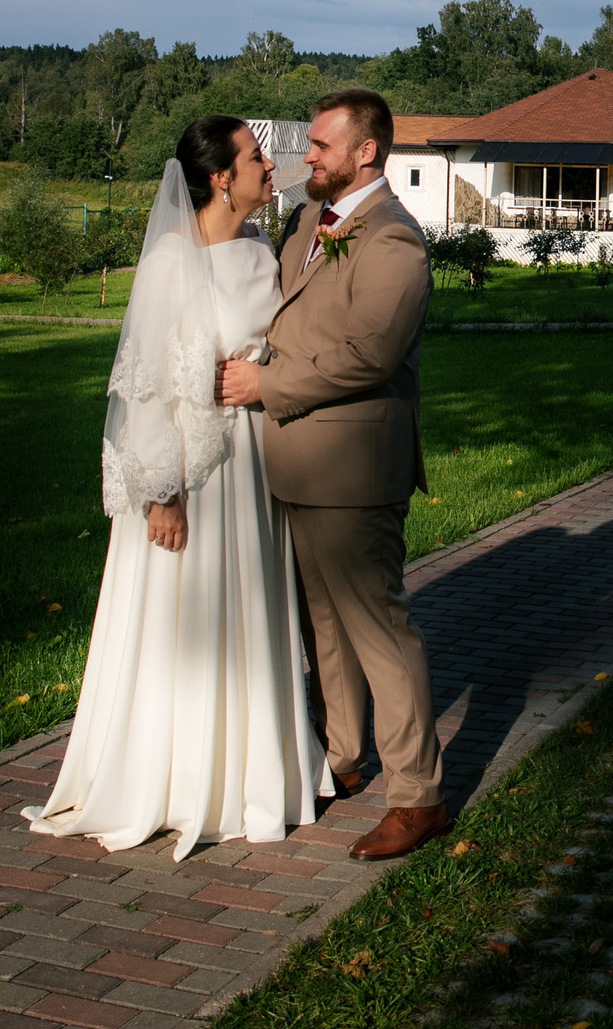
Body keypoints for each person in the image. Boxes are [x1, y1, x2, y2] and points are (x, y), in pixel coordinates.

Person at [25, 117, 326, 856]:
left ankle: (249, 771)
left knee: (247, 603)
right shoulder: (170, 261)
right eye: (256, 157)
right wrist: (161, 492)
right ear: (221, 177)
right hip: (193, 470)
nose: (270, 166)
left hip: (252, 457)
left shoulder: (260, 247)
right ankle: (175, 776)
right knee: (183, 615)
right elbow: (147, 384)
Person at [229, 89, 443, 862]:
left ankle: (418, 795)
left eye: (321, 145)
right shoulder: (306, 223)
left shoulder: (394, 240)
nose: (307, 155)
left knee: (378, 629)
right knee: (322, 623)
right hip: (294, 462)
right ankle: (344, 758)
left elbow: (369, 355)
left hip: (355, 469)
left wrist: (267, 385)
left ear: (365, 152)